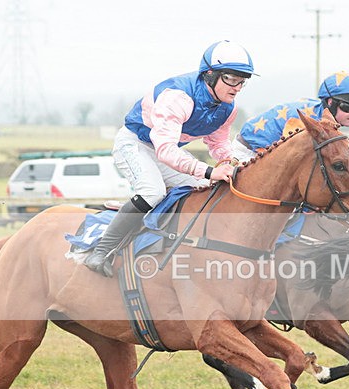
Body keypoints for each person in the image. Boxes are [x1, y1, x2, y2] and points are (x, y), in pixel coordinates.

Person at [84, 40, 255, 277]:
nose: (237, 87)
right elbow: (165, 150)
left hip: (163, 150)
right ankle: (101, 250)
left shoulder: (228, 108)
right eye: (231, 79)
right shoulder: (178, 97)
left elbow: (218, 143)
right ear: (210, 75)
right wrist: (209, 171)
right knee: (152, 191)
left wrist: (232, 163)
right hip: (135, 144)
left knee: (205, 189)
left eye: (242, 81)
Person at [232, 71, 349, 161]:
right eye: (348, 107)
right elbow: (289, 161)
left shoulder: (322, 117)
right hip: (247, 152)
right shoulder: (305, 122)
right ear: (330, 102)